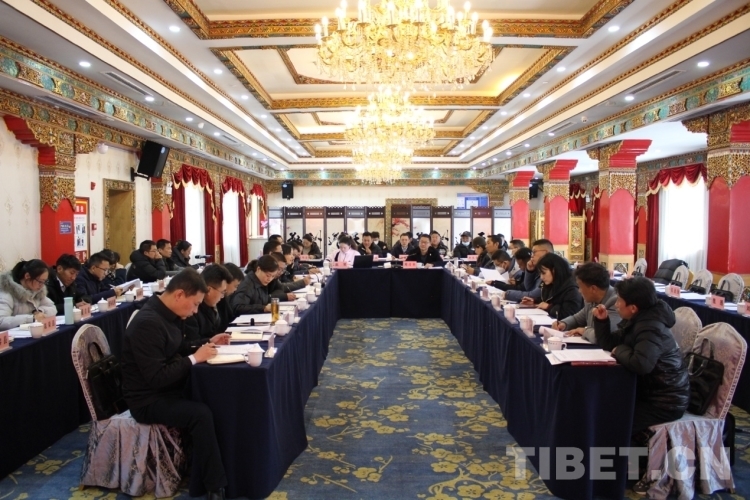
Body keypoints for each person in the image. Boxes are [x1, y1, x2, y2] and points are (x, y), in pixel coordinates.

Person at [121, 268, 227, 500]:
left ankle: (205, 465)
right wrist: (194, 359)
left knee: (215, 399)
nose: (195, 311)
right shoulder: (147, 323)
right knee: (200, 414)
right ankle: (214, 486)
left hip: (167, 388)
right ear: (179, 295)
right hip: (147, 399)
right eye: (195, 304)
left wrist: (207, 342)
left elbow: (178, 347)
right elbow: (156, 377)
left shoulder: (168, 314)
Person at [592, 277, 690, 446]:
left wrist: (619, 350)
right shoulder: (639, 318)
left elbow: (641, 364)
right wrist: (602, 321)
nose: (616, 304)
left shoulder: (651, 327)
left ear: (633, 308)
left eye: (619, 301)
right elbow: (610, 343)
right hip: (647, 392)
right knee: (602, 408)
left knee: (614, 423)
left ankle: (616, 461)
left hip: (665, 402)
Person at [553, 262, 621, 344]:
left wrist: (584, 331)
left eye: (580, 287)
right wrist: (564, 323)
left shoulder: (616, 302)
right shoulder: (591, 300)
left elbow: (603, 337)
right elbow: (577, 319)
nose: (579, 291)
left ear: (593, 289)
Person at [182, 264, 233, 354]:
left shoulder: (215, 303)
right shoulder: (192, 309)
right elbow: (190, 345)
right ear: (209, 290)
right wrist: (209, 341)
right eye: (222, 292)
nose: (222, 297)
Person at [0, 259, 57, 329]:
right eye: (40, 281)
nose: (42, 285)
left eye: (44, 282)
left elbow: (52, 308)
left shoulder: (37, 291)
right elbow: (1, 321)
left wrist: (39, 311)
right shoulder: (6, 292)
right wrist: (31, 318)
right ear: (27, 276)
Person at [532, 253, 583, 320]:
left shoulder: (572, 289)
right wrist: (534, 301)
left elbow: (569, 314)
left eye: (544, 273)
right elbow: (548, 300)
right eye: (540, 273)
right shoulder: (550, 284)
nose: (541, 277)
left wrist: (549, 307)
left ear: (554, 270)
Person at [217, 263, 244, 332]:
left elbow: (231, 319)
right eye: (236, 286)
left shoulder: (224, 299)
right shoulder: (216, 299)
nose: (236, 290)